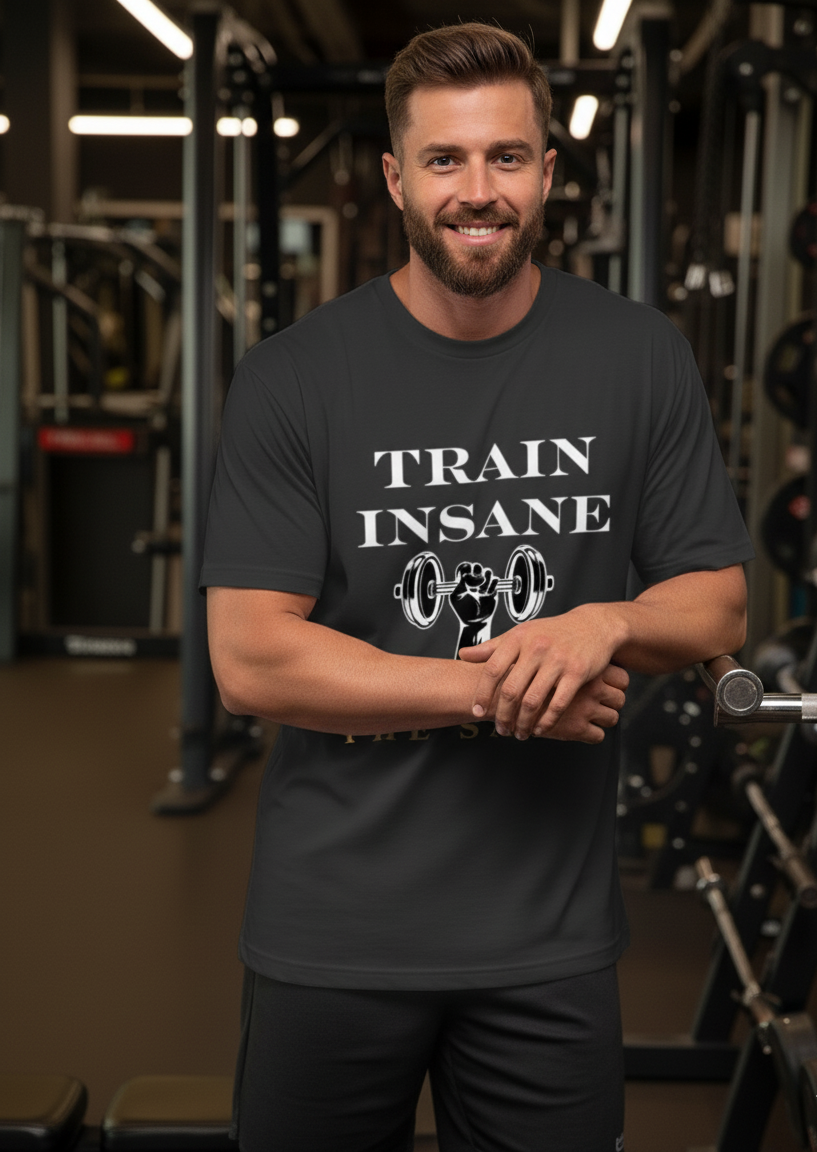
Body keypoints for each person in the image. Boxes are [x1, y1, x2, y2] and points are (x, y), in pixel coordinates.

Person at [201, 22, 753, 1152]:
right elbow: (251, 655)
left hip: (544, 944)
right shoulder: (295, 378)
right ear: (399, 177)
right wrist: (500, 687)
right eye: (446, 161)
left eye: (506, 157)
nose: (477, 191)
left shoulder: (636, 358)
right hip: (333, 937)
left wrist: (605, 621)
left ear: (549, 171)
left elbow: (716, 603)